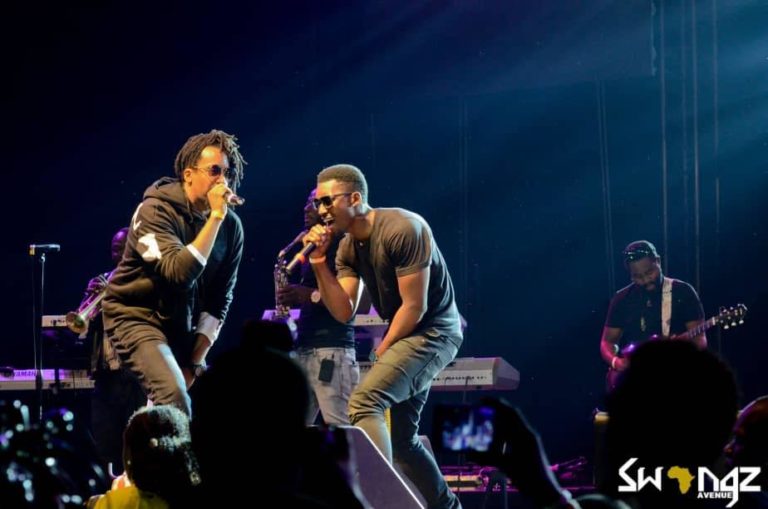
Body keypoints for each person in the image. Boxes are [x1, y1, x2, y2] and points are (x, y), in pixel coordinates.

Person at [304, 164, 463, 509]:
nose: (321, 210)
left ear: (354, 198)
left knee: (365, 402)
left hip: (434, 332)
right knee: (402, 441)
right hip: (407, 335)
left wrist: (384, 349)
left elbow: (415, 306)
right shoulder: (347, 248)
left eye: (328, 201)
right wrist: (318, 262)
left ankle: (379, 501)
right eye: (318, 203)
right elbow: (344, 311)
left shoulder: (403, 228)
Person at [102, 129, 246, 416]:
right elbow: (179, 273)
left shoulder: (231, 227)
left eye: (227, 173)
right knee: (174, 396)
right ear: (189, 175)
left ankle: (148, 446)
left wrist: (194, 362)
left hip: (181, 324)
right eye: (214, 171)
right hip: (136, 317)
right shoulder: (154, 211)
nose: (223, 180)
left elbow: (220, 300)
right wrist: (216, 217)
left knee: (216, 407)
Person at [278, 189, 358, 425]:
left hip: (332, 350)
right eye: (307, 203)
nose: (307, 208)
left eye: (314, 203)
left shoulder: (344, 244)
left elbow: (350, 301)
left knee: (342, 429)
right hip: (306, 348)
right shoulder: (311, 247)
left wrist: (308, 295)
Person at [81, 226, 146, 475]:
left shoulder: (145, 280)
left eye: (121, 249)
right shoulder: (100, 281)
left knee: (136, 444)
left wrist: (116, 295)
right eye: (114, 250)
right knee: (105, 444)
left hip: (135, 376)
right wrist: (92, 301)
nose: (116, 254)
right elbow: (81, 324)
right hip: (106, 375)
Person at [600, 240, 706, 389]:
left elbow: (700, 339)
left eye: (649, 272)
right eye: (637, 276)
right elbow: (607, 342)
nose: (645, 280)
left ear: (658, 261)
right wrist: (616, 362)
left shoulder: (683, 292)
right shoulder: (622, 299)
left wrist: (681, 352)